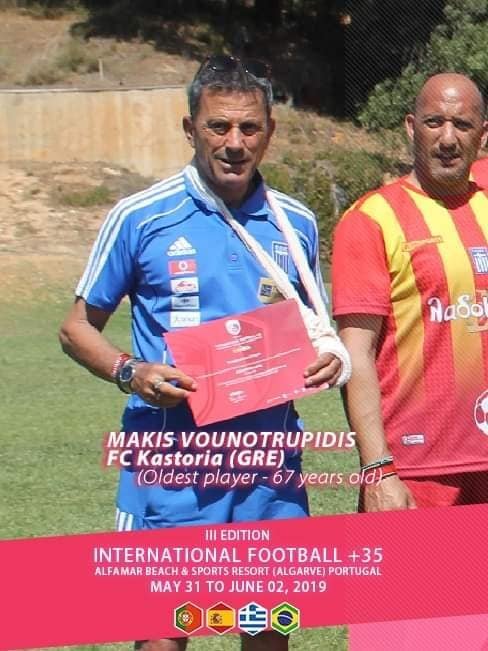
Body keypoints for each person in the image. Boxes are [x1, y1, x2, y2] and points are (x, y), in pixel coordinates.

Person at [59, 55, 349, 651]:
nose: (235, 143)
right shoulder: (141, 216)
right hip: (172, 461)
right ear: (190, 129)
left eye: (249, 128)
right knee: (163, 631)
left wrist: (328, 358)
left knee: (268, 626)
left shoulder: (295, 222)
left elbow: (316, 328)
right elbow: (76, 328)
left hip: (269, 462)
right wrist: (131, 371)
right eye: (219, 126)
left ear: (269, 131)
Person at [332, 72, 488, 513]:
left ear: (482, 135)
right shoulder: (371, 219)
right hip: (417, 471)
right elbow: (356, 354)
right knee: (418, 565)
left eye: (462, 125)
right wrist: (378, 469)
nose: (448, 139)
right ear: (410, 127)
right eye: (434, 122)